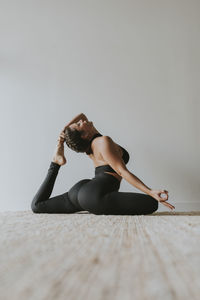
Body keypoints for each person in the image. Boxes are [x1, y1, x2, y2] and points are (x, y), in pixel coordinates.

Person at [31, 113, 175, 215]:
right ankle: (57, 160)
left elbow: (82, 115)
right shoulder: (102, 141)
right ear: (85, 135)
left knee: (37, 206)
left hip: (81, 190)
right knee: (151, 203)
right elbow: (121, 171)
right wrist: (150, 191)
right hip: (96, 195)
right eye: (80, 124)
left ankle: (55, 163)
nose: (82, 121)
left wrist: (62, 138)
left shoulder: (92, 143)